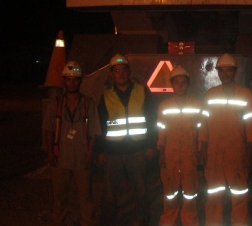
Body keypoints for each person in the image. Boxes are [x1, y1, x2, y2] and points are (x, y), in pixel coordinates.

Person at [96, 53, 156, 225]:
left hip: (137, 150)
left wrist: (151, 144)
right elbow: (100, 125)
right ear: (112, 74)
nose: (121, 74)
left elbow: (151, 119)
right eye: (117, 71)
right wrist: (100, 150)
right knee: (109, 194)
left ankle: (143, 221)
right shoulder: (106, 96)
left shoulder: (141, 91)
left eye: (123, 70)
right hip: (113, 153)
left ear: (129, 72)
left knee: (141, 191)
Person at [198, 53, 252, 225]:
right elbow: (203, 124)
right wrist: (202, 150)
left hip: (237, 155)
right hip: (213, 155)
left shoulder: (246, 95)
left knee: (239, 195)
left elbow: (251, 127)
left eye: (229, 70)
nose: (225, 74)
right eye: (222, 71)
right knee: (214, 196)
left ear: (235, 72)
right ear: (218, 73)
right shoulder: (210, 95)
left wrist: (248, 154)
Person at [43, 61, 101, 226]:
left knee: (85, 197)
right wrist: (49, 153)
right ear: (64, 81)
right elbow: (48, 130)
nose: (72, 83)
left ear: (80, 81)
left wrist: (89, 156)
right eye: (68, 79)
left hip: (81, 158)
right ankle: (59, 221)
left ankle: (87, 222)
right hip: (60, 157)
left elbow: (93, 134)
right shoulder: (56, 103)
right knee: (59, 197)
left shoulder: (88, 104)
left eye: (75, 79)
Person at [157, 65, 202, 225]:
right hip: (171, 155)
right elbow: (162, 131)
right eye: (177, 82)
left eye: (183, 82)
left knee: (190, 192)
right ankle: (168, 220)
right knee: (170, 192)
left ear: (188, 84)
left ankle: (190, 220)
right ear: (172, 85)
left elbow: (200, 131)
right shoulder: (164, 106)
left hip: (190, 156)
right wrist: (161, 153)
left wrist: (200, 153)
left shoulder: (197, 105)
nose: (180, 86)